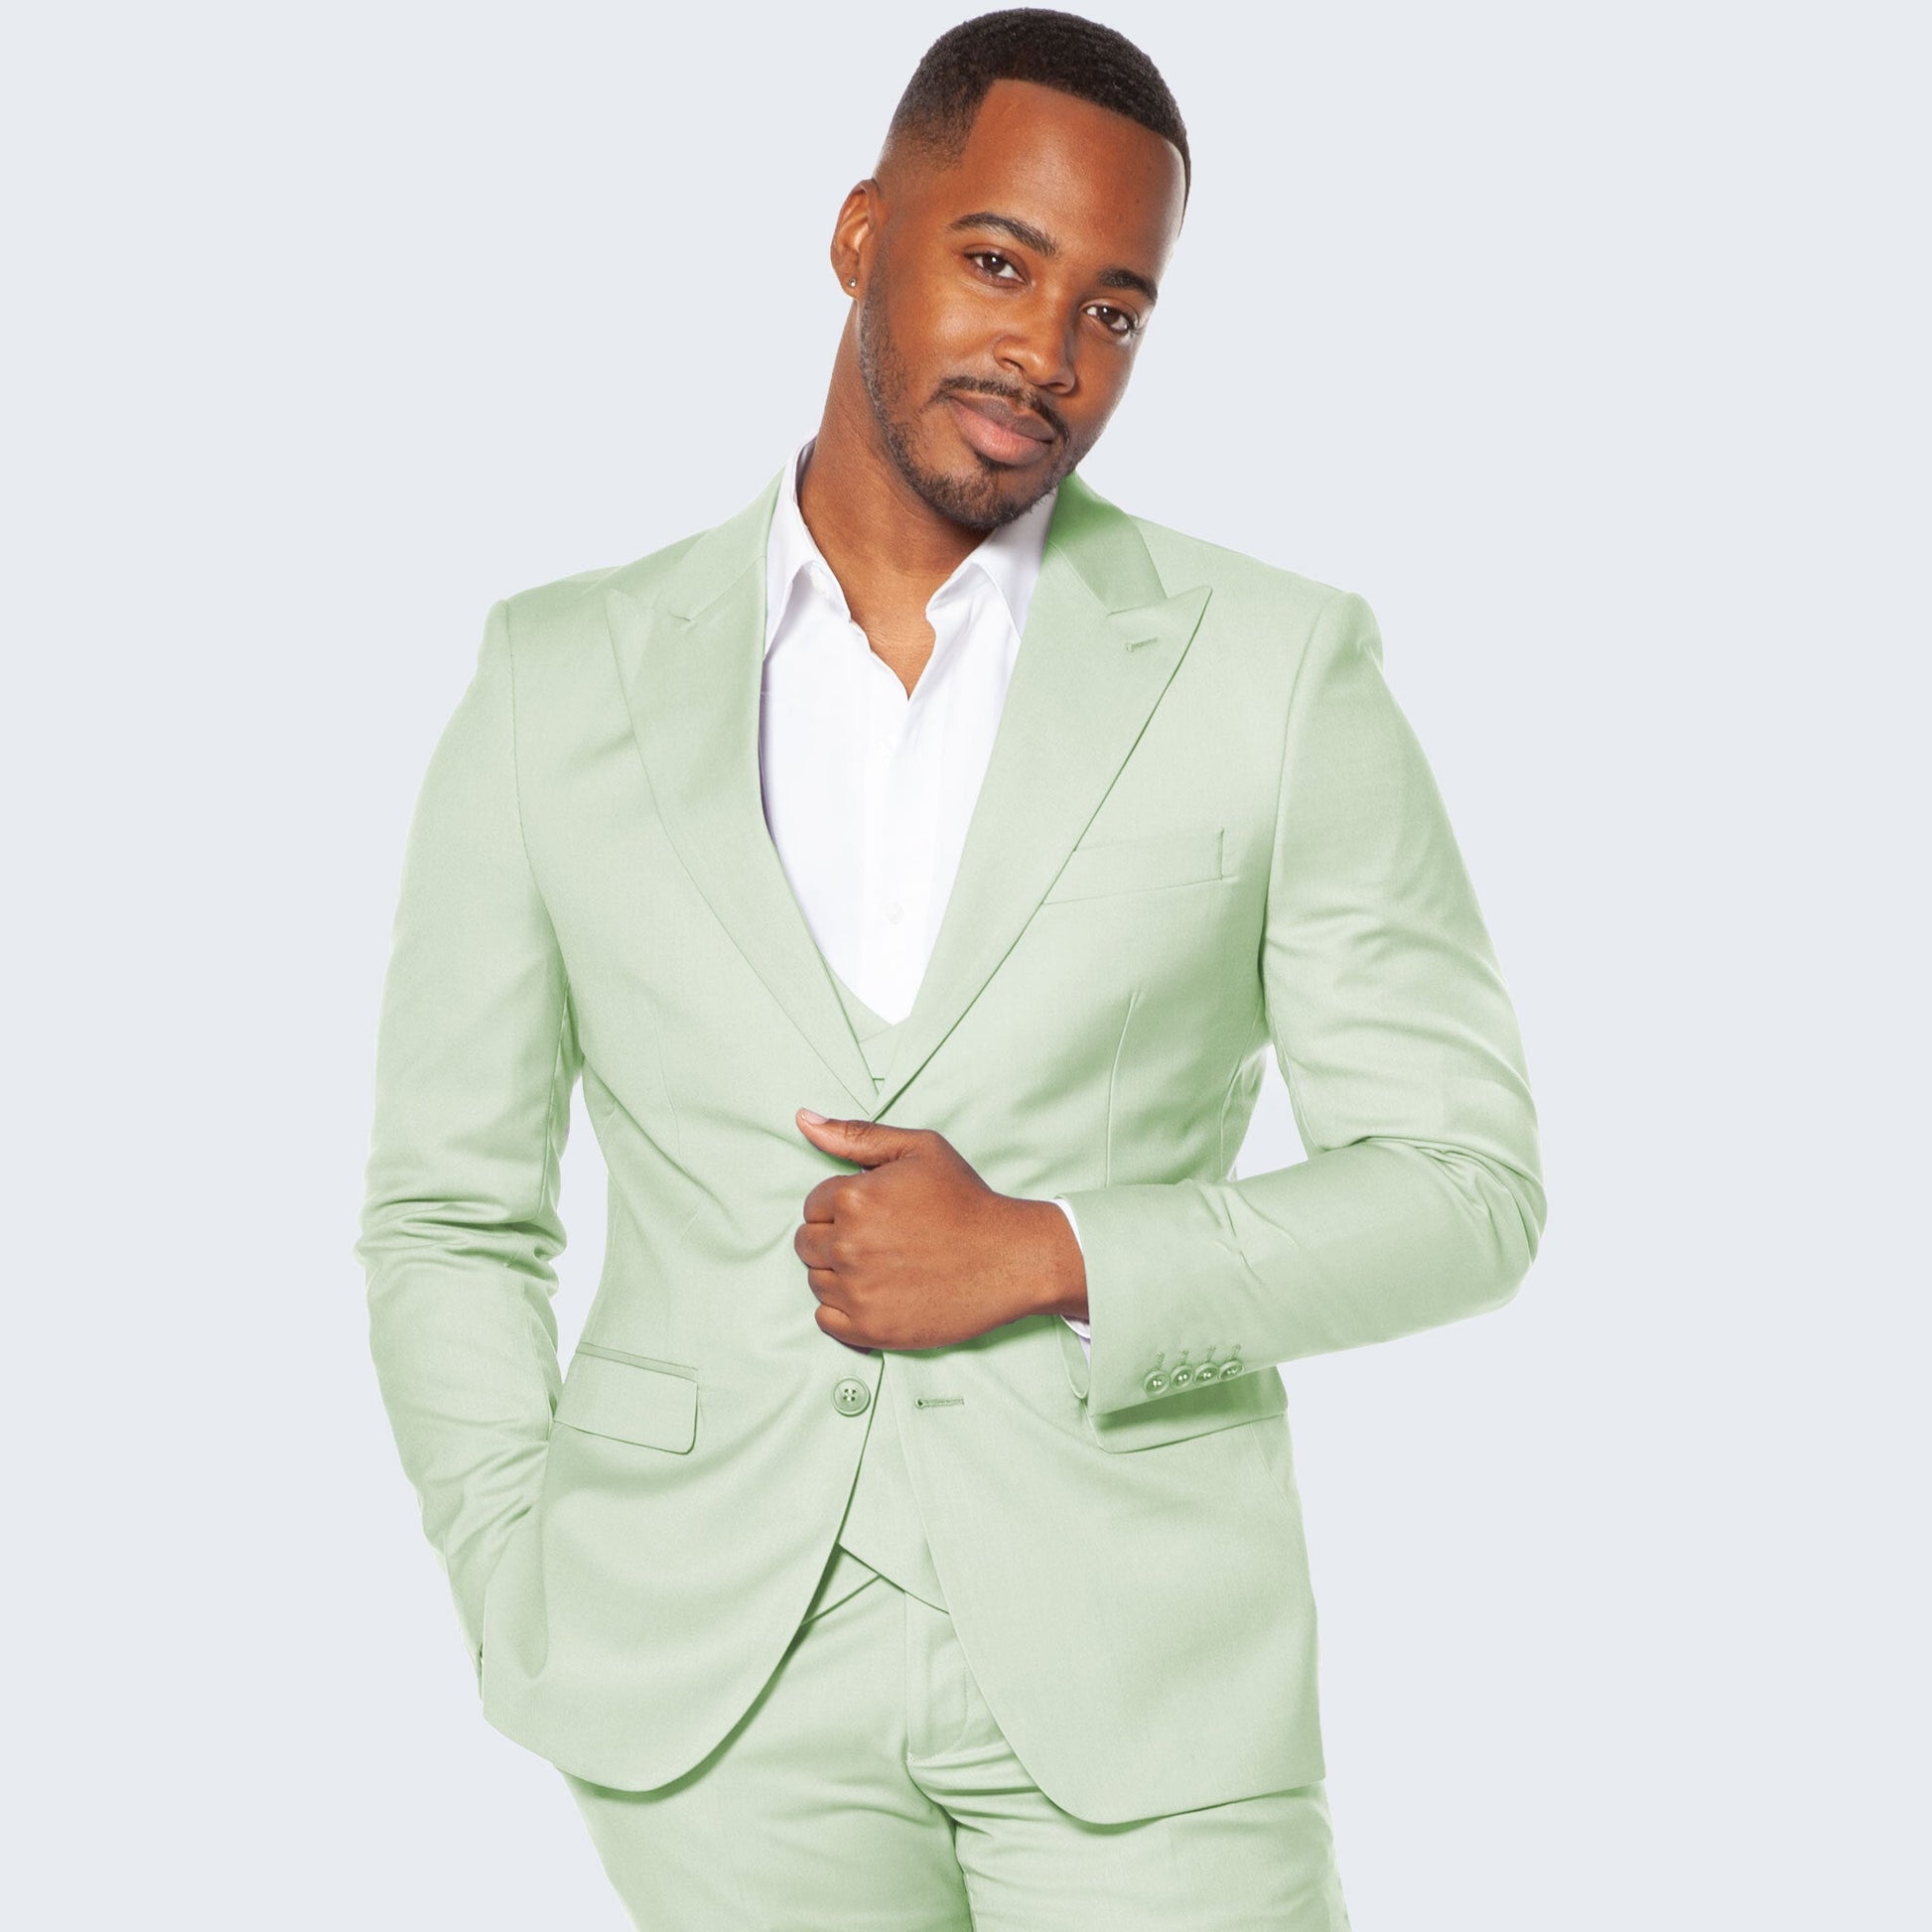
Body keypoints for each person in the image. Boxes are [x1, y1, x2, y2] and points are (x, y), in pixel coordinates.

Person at [353, 9, 1546, 1926]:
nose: (1049, 353)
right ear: (861, 234)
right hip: (709, 1693)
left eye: (1113, 311)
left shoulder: (1275, 670)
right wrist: (522, 1575)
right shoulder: (552, 678)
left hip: (1147, 1672)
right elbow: (448, 1211)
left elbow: (1464, 1188)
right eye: (998, 261)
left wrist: (1057, 1252)